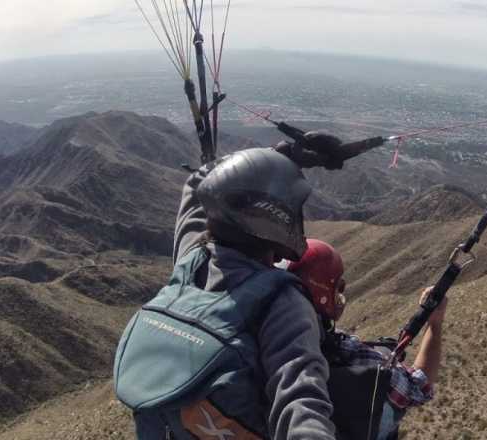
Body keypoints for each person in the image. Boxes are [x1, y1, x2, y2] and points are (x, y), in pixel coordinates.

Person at [115, 134, 350, 440]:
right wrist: (283, 159)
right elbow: (300, 399)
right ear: (278, 220)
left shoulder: (192, 261)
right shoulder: (283, 304)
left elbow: (199, 182)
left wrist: (276, 158)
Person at [285, 239, 446, 440]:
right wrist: (434, 323)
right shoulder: (348, 357)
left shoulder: (254, 346)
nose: (339, 296)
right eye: (337, 288)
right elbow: (419, 386)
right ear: (321, 293)